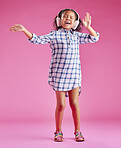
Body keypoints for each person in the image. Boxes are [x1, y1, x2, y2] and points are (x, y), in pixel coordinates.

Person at [9, 8, 100, 142]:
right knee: (61, 105)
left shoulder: (77, 36)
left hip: (74, 75)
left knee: (74, 103)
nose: (67, 19)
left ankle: (77, 131)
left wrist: (88, 27)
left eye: (71, 17)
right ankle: (58, 131)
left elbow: (94, 38)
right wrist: (24, 30)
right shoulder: (54, 35)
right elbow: (37, 40)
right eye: (65, 16)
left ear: (75, 22)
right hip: (59, 75)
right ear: (59, 20)